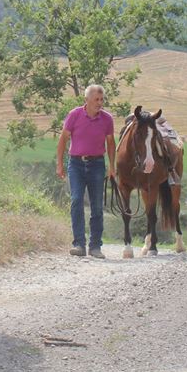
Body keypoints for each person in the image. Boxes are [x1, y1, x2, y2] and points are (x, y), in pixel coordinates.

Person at [56, 85, 116, 259]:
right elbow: (63, 139)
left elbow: (111, 143)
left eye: (102, 99)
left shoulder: (107, 119)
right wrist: (60, 164)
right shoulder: (74, 115)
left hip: (97, 164)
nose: (100, 103)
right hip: (76, 164)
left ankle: (95, 246)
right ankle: (79, 244)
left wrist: (112, 166)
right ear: (87, 100)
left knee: (97, 205)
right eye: (96, 99)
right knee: (76, 200)